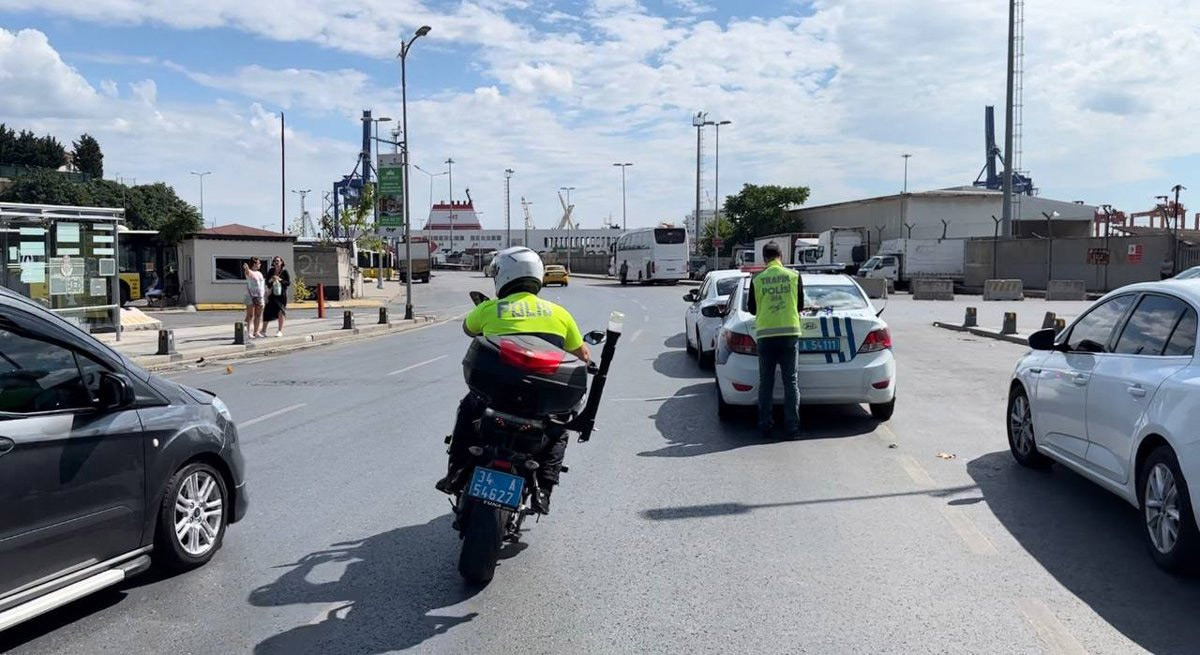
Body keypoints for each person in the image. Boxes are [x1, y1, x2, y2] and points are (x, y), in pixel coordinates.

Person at [436, 246, 589, 514]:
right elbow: (584, 356)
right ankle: (543, 489)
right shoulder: (559, 313)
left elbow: (468, 330)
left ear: (503, 276)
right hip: (541, 401)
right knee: (558, 431)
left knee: (467, 409)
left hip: (497, 394)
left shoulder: (490, 308)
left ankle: (457, 471)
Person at [747, 241, 805, 439]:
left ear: (764, 258)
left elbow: (752, 309)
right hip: (789, 335)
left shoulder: (757, 278)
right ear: (781, 256)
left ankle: (765, 426)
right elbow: (800, 305)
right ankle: (792, 428)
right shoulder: (794, 276)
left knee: (766, 382)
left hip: (765, 336)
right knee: (791, 382)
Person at [263, 256, 290, 337]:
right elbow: (267, 282)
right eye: (275, 261)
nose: (276, 262)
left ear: (281, 262)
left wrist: (280, 279)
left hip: (281, 295)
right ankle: (263, 330)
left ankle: (279, 331)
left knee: (281, 311)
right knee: (267, 311)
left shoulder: (284, 272)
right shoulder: (271, 271)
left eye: (278, 261)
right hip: (272, 295)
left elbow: (288, 283)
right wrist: (271, 279)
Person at [244, 257, 266, 338]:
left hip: (260, 296)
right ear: (254, 264)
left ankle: (256, 332)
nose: (260, 264)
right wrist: (246, 268)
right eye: (258, 263)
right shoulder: (250, 272)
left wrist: (264, 294)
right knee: (250, 315)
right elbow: (247, 272)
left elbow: (262, 285)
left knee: (258, 315)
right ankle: (247, 332)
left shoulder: (259, 273)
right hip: (250, 296)